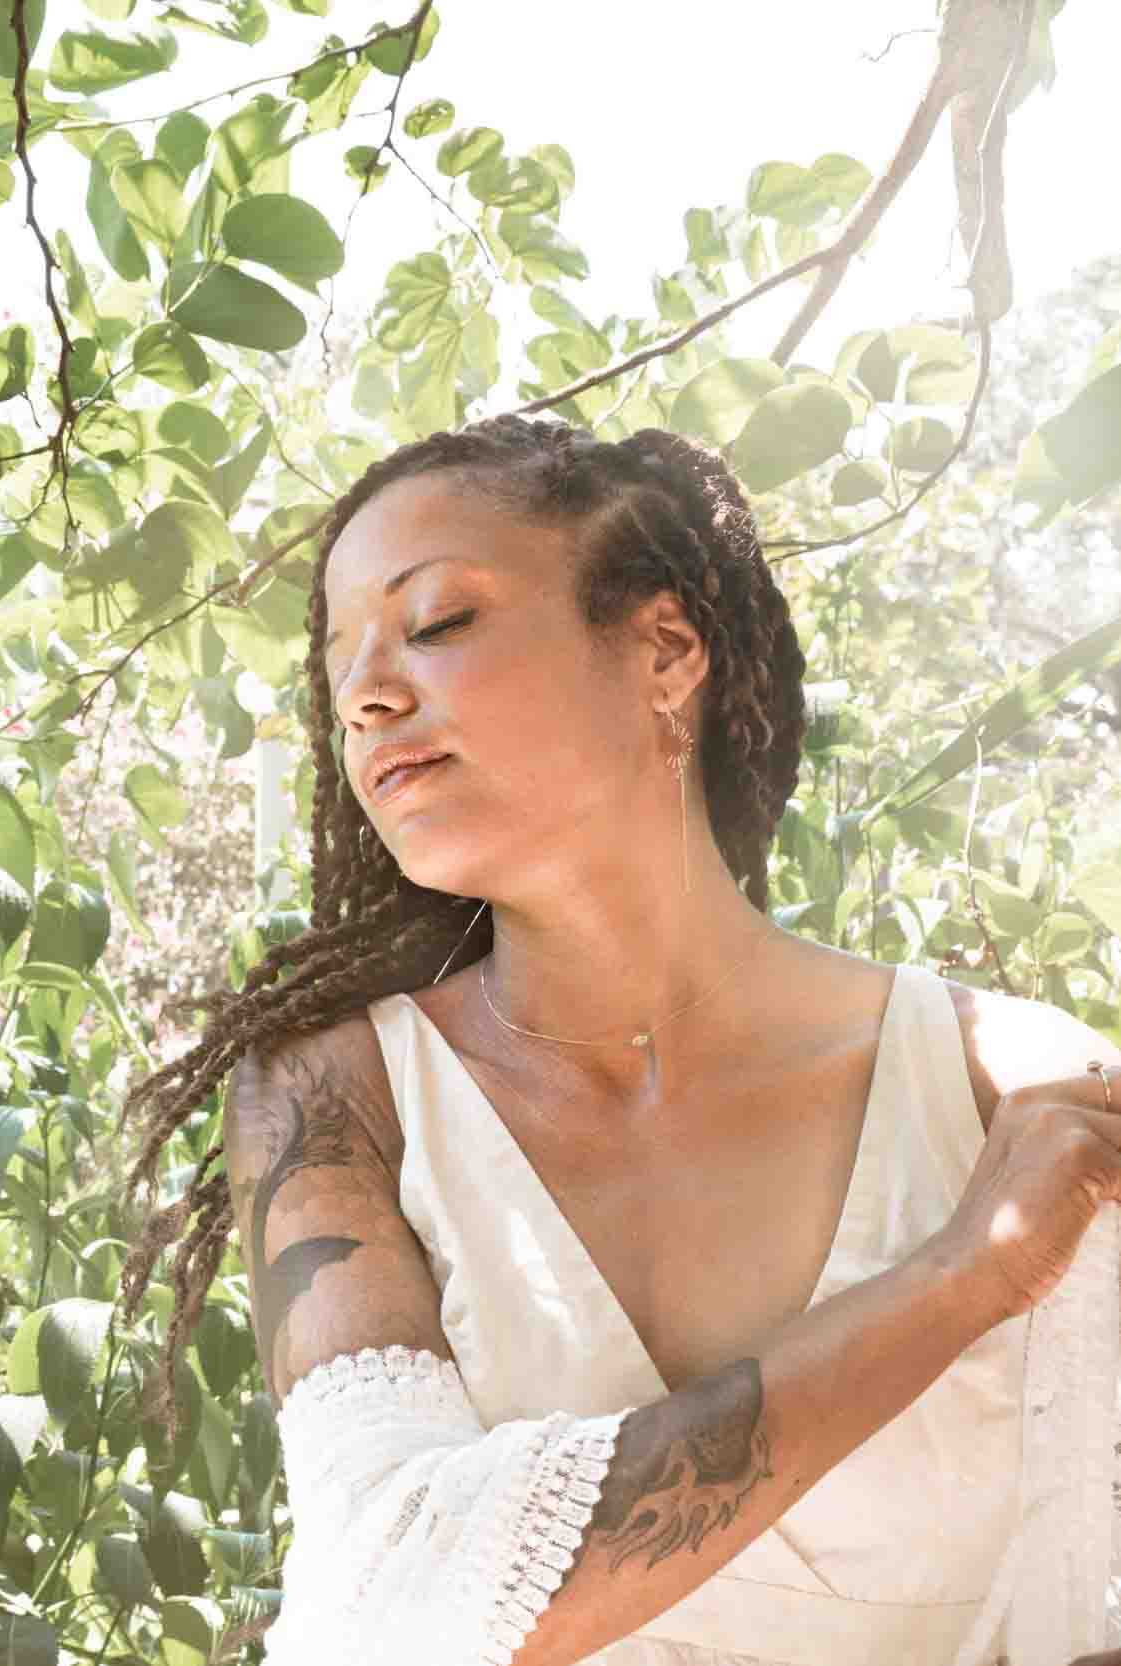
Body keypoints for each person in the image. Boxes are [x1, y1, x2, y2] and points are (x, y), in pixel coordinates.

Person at [112, 415, 1121, 1666]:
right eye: (339, 659)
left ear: (664, 648)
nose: (366, 693)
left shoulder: (1013, 1088)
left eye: (433, 622)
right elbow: (391, 1599)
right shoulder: (338, 1091)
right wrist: (971, 1270)